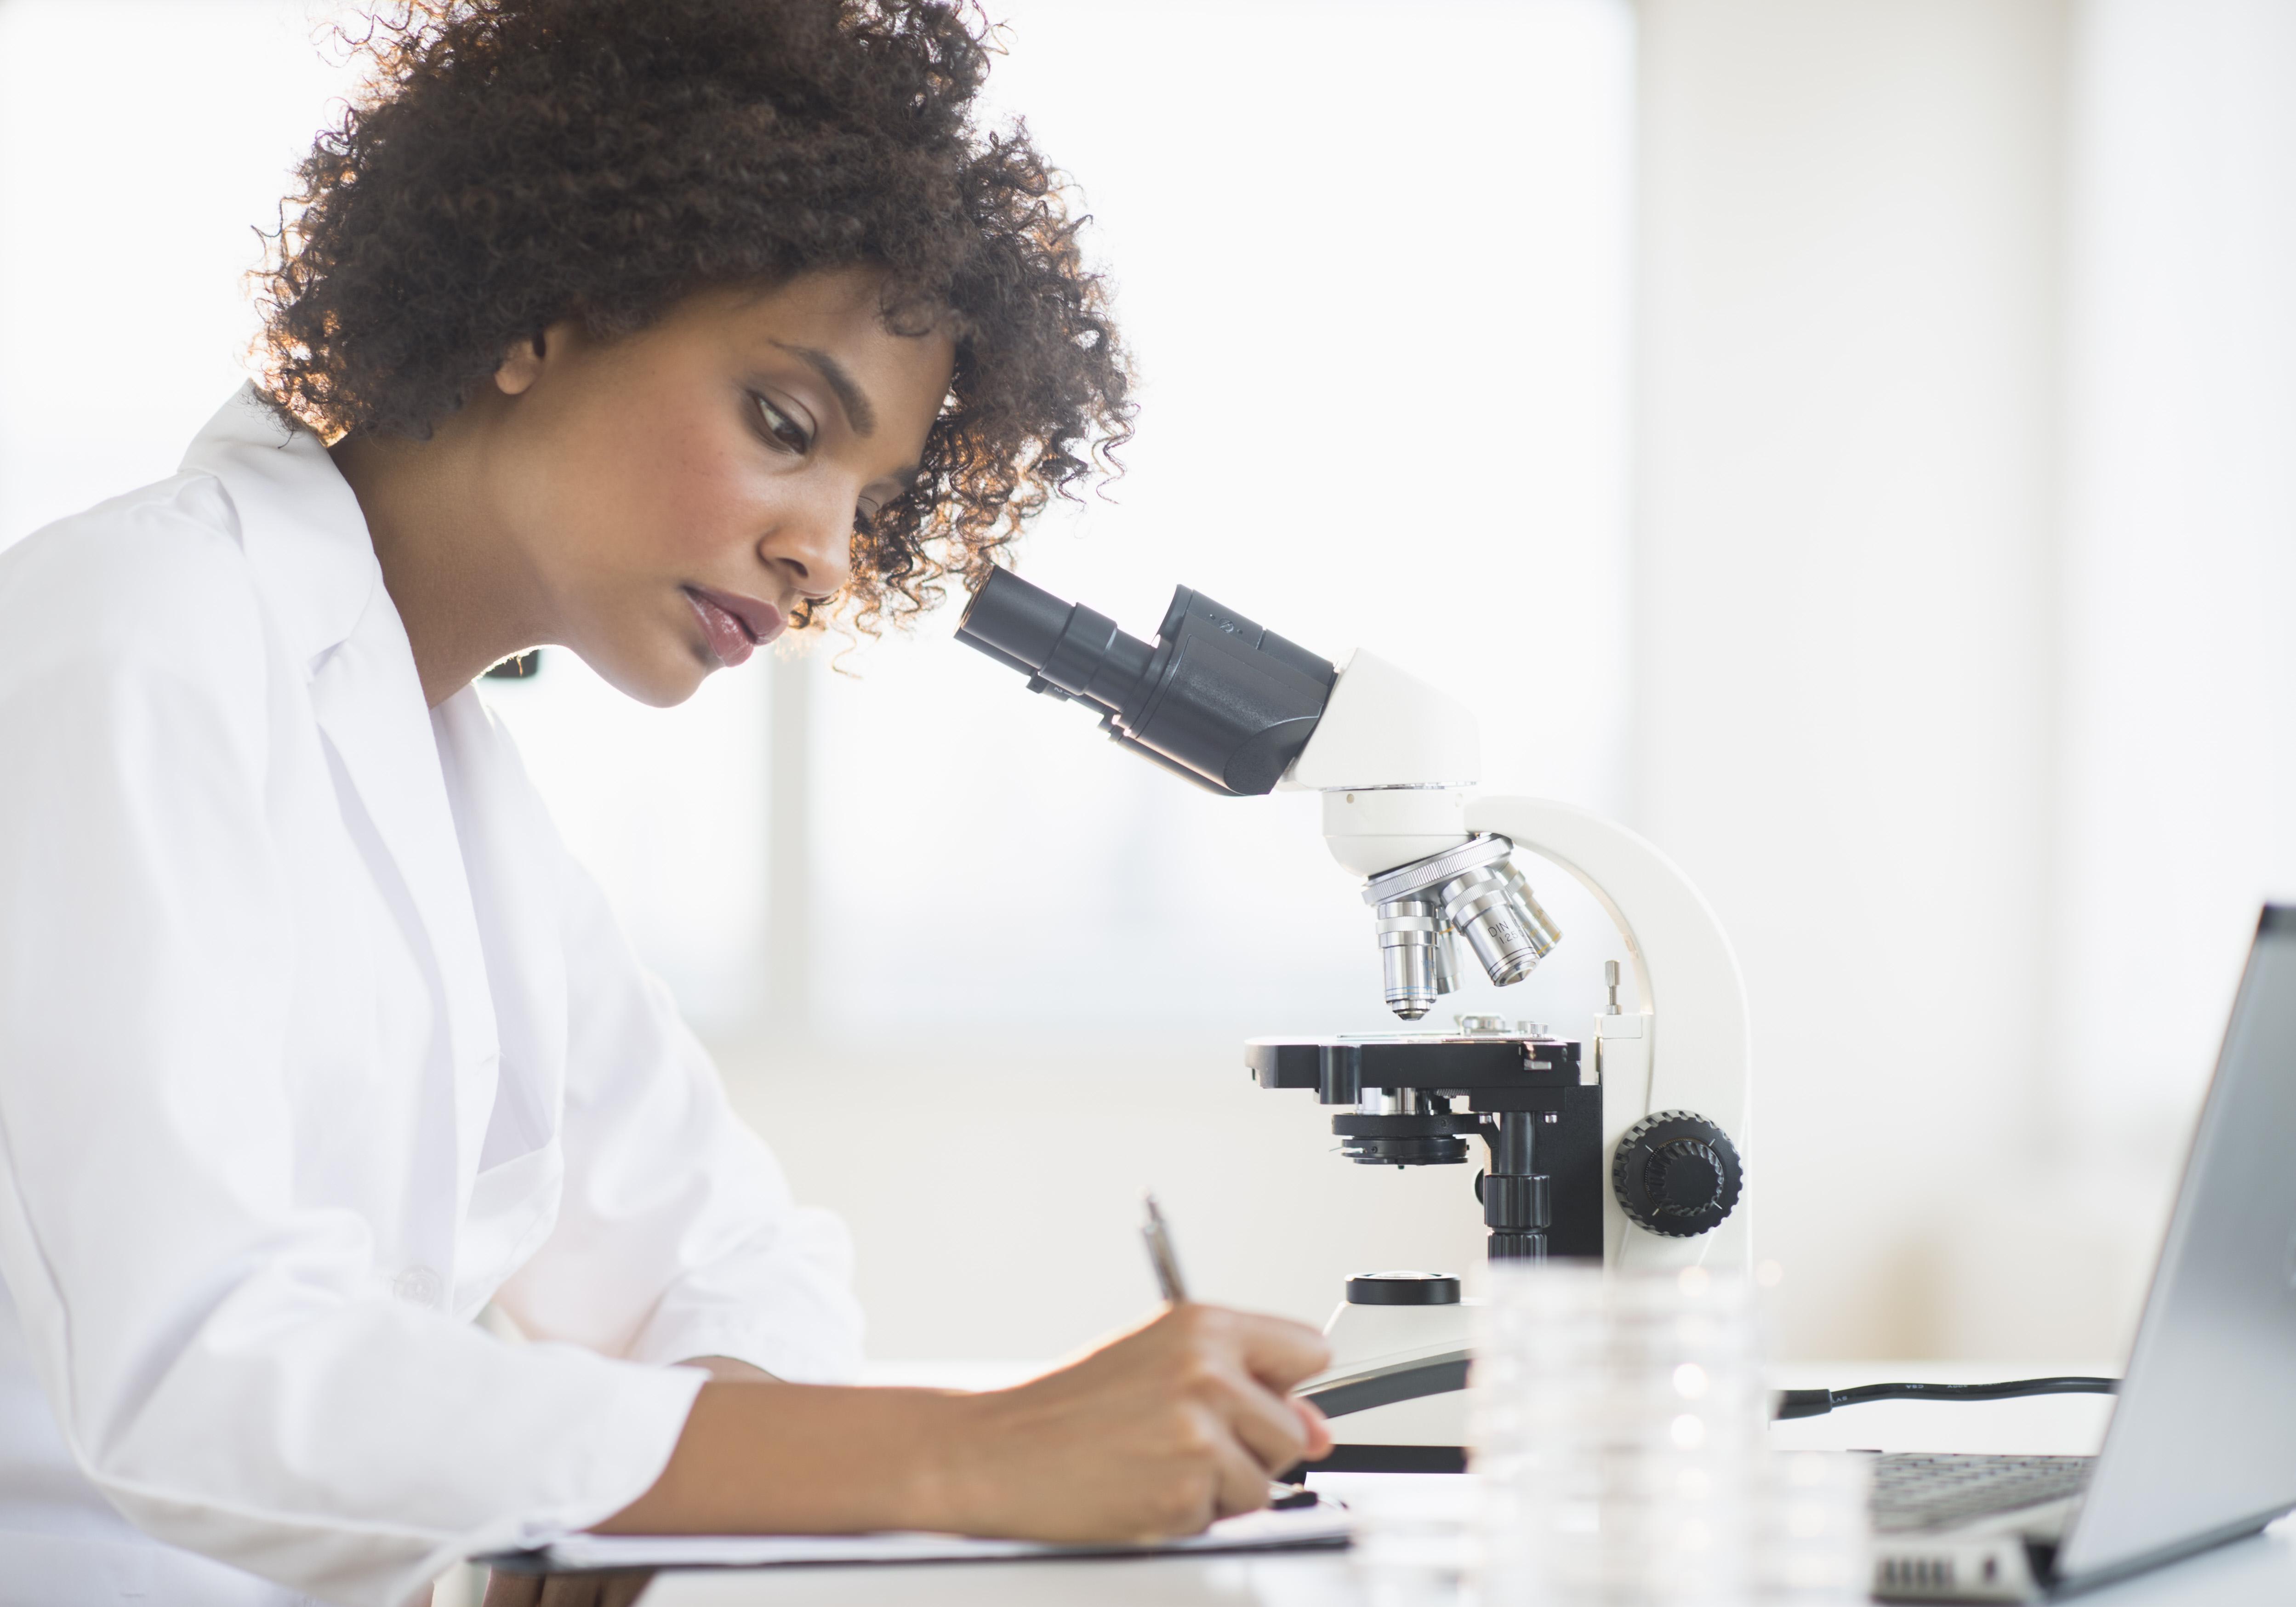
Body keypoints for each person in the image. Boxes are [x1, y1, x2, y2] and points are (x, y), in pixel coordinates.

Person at [0, 4, 1333, 1604]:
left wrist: (641, 1491)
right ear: (541, 312)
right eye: (786, 426)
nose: (827, 556)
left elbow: (731, 1261)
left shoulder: (451, 778)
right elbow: (206, 1374)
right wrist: (961, 1453)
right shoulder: (133, 637)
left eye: (873, 500)